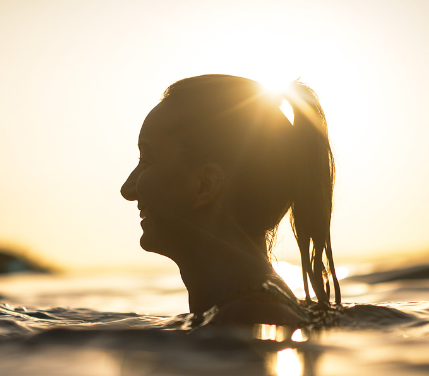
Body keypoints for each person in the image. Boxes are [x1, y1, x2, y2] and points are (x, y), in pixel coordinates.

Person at [120, 75, 340, 327]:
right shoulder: (251, 309)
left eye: (147, 160)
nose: (127, 189)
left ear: (205, 186)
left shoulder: (246, 318)